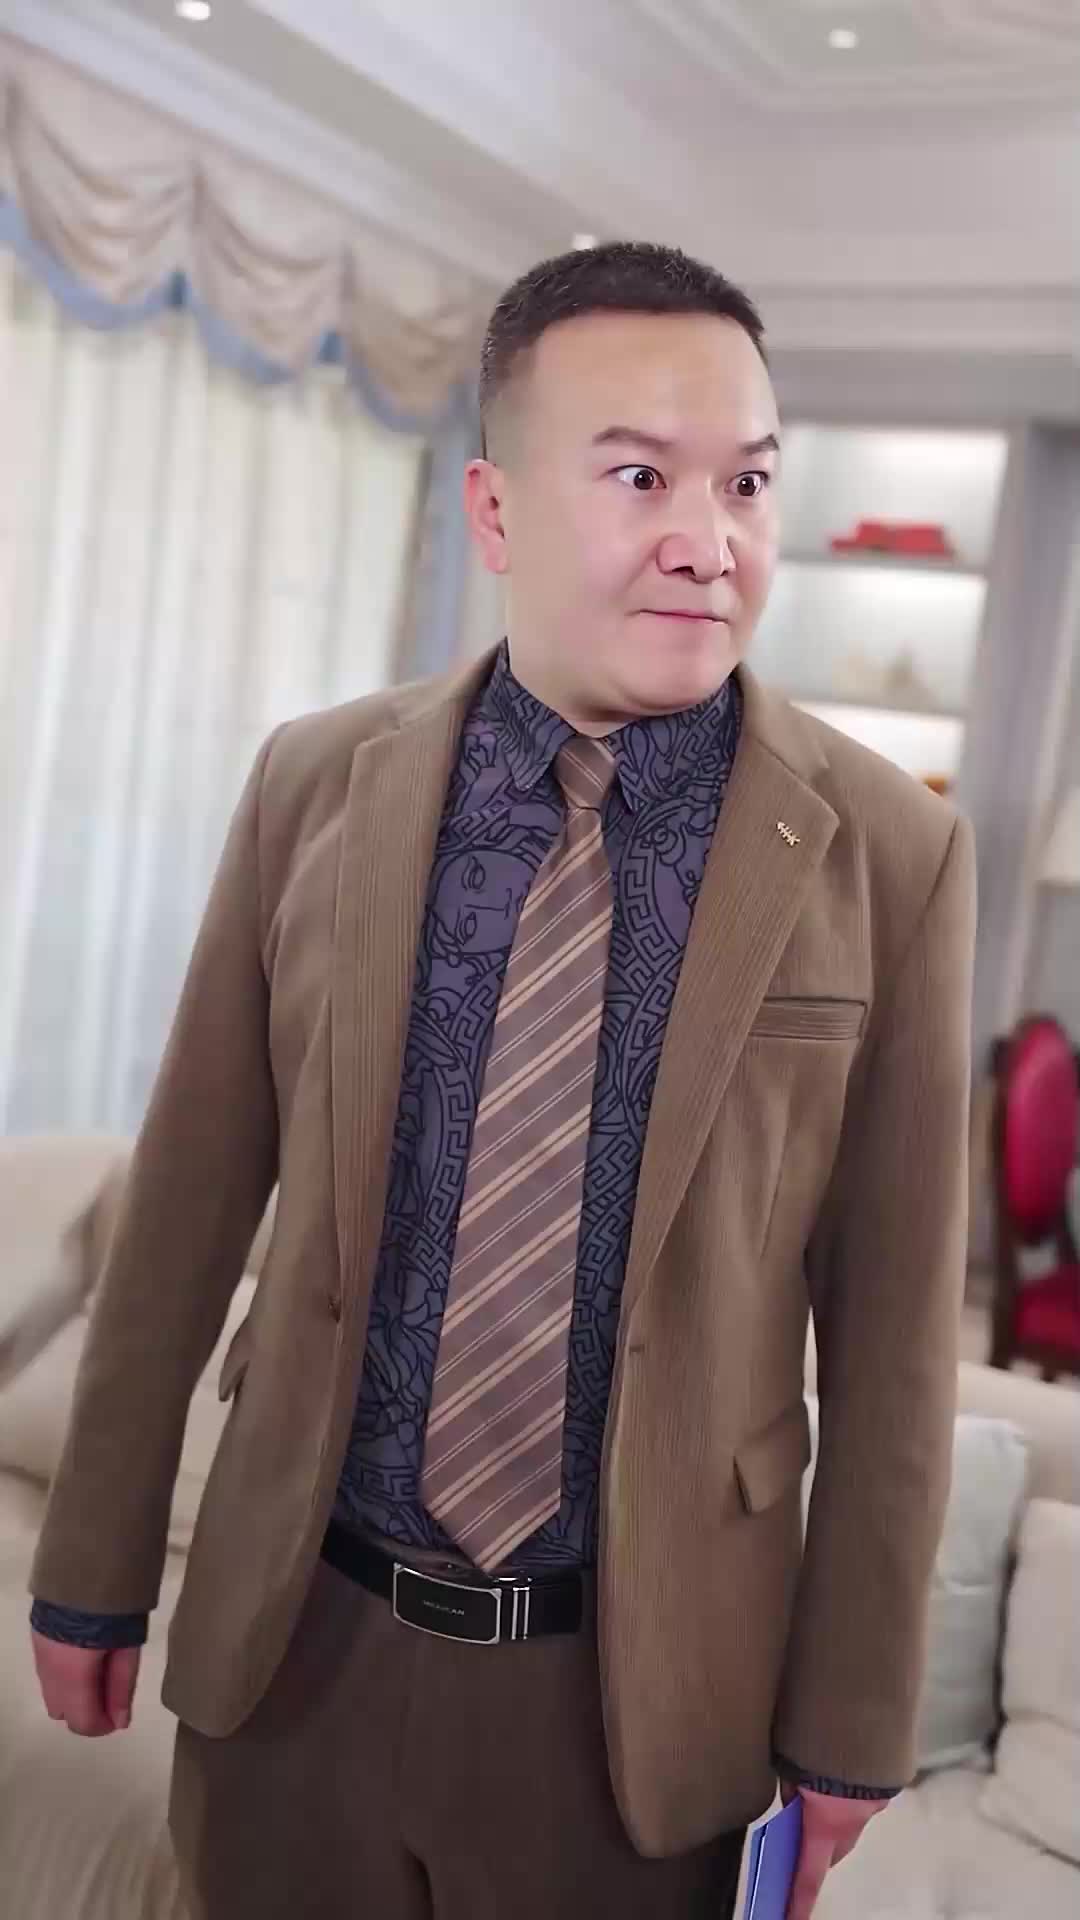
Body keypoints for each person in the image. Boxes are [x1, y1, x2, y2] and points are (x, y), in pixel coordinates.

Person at [29, 241, 976, 1920]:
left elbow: (897, 1339)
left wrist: (850, 1727)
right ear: (496, 511)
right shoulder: (315, 786)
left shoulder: (891, 854)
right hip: (295, 1651)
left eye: (750, 483)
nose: (711, 540)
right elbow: (180, 1212)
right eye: (642, 477)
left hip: (632, 1705)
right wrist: (93, 1566)